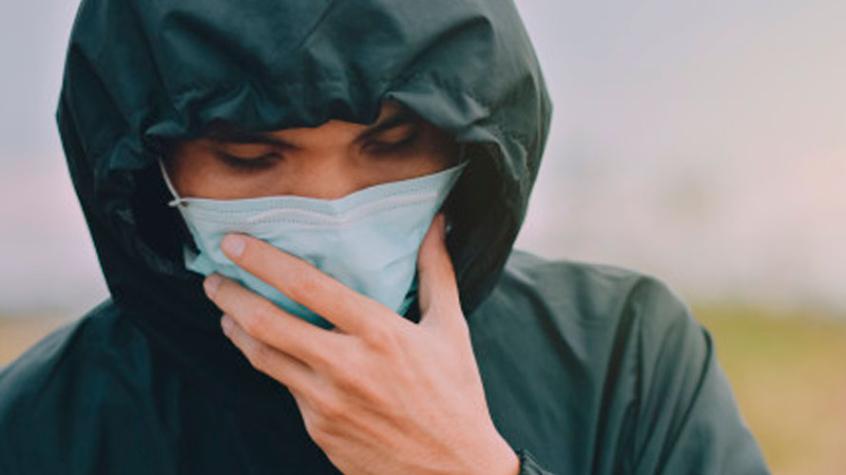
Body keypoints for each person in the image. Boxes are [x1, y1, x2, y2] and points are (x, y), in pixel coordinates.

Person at [0, 0, 770, 474]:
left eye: (391, 145)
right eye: (250, 156)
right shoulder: (39, 427)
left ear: (470, 142)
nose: (332, 210)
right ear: (147, 165)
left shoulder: (625, 361)